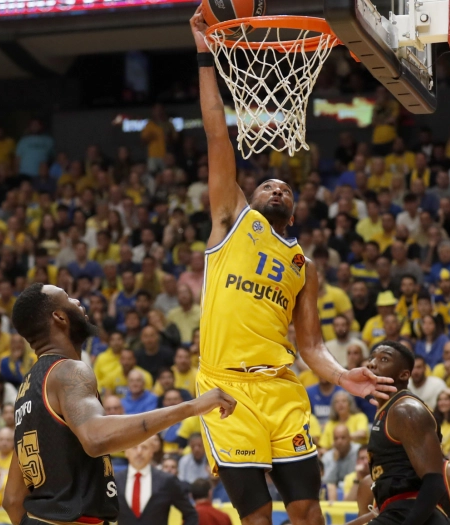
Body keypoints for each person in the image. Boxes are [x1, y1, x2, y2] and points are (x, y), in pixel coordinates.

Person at [186, 13, 393, 525]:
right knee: (257, 517)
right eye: (267, 186)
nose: (276, 188)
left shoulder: (304, 266)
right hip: (226, 388)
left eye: (286, 189)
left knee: (307, 511)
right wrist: (205, 56)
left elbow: (312, 346)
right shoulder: (231, 218)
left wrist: (342, 376)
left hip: (281, 388)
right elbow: (216, 134)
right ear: (250, 198)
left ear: (294, 213)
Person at [2, 283, 235, 525]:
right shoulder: (68, 371)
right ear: (59, 317)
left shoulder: (27, 390)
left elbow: (12, 499)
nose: (78, 302)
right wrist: (192, 407)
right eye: (69, 298)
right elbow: (95, 439)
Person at [361, 340, 450, 525]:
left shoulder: (406, 410)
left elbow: (434, 483)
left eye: (384, 359)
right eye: (371, 358)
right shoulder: (388, 410)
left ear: (404, 374)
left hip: (412, 515)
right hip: (395, 512)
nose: (372, 364)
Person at [114, 435, 197, 525]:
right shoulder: (115, 481)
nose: (139, 452)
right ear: (126, 452)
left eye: (144, 447)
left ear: (151, 452)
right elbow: (104, 515)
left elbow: (191, 514)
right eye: (134, 447)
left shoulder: (167, 480)